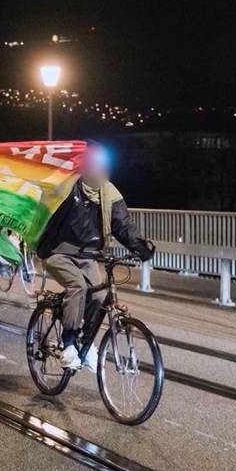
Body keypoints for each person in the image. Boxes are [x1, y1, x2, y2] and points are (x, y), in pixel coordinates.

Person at [36, 143, 153, 370]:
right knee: (78, 286)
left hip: (87, 254)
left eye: (103, 167)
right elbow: (43, 208)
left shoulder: (109, 193)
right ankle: (68, 343)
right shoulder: (68, 188)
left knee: (99, 298)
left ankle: (85, 341)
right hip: (57, 251)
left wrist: (141, 248)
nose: (100, 172)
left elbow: (123, 225)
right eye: (95, 166)